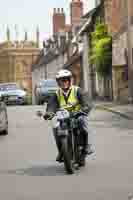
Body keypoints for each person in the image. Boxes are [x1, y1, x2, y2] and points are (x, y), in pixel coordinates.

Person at [43, 69, 94, 162]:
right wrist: (49, 113)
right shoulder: (56, 94)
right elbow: (51, 105)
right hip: (63, 117)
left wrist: (85, 109)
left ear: (70, 80)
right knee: (55, 127)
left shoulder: (77, 90)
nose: (64, 82)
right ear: (58, 82)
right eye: (61, 80)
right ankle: (61, 151)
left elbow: (86, 102)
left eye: (66, 80)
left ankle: (86, 146)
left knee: (83, 121)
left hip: (77, 115)